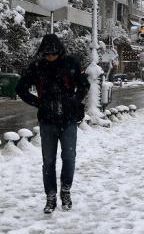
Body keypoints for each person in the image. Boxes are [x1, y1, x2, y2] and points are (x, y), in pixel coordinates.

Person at [16, 34, 89, 214]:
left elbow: (84, 85)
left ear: (59, 52)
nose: (50, 57)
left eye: (53, 54)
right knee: (48, 161)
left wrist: (74, 100)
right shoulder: (37, 67)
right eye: (47, 54)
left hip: (69, 119)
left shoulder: (71, 64)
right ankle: (50, 195)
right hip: (47, 120)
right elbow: (20, 88)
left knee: (69, 157)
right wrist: (38, 102)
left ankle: (65, 190)